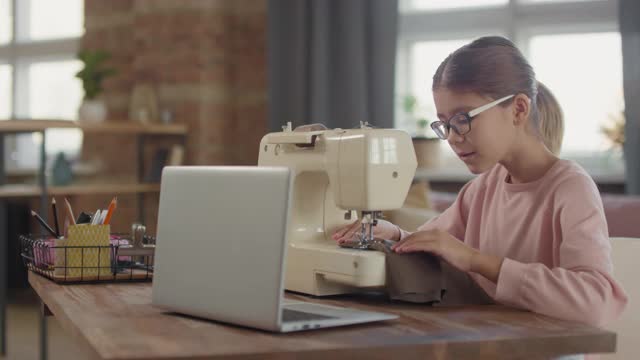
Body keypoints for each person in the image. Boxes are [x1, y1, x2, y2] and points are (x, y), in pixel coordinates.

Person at [333, 36, 627, 327]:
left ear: (518, 110)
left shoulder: (570, 188)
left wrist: (477, 261)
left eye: (463, 118)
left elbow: (596, 302)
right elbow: (434, 244)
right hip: (493, 343)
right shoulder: (482, 189)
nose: (451, 136)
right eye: (445, 123)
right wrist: (394, 234)